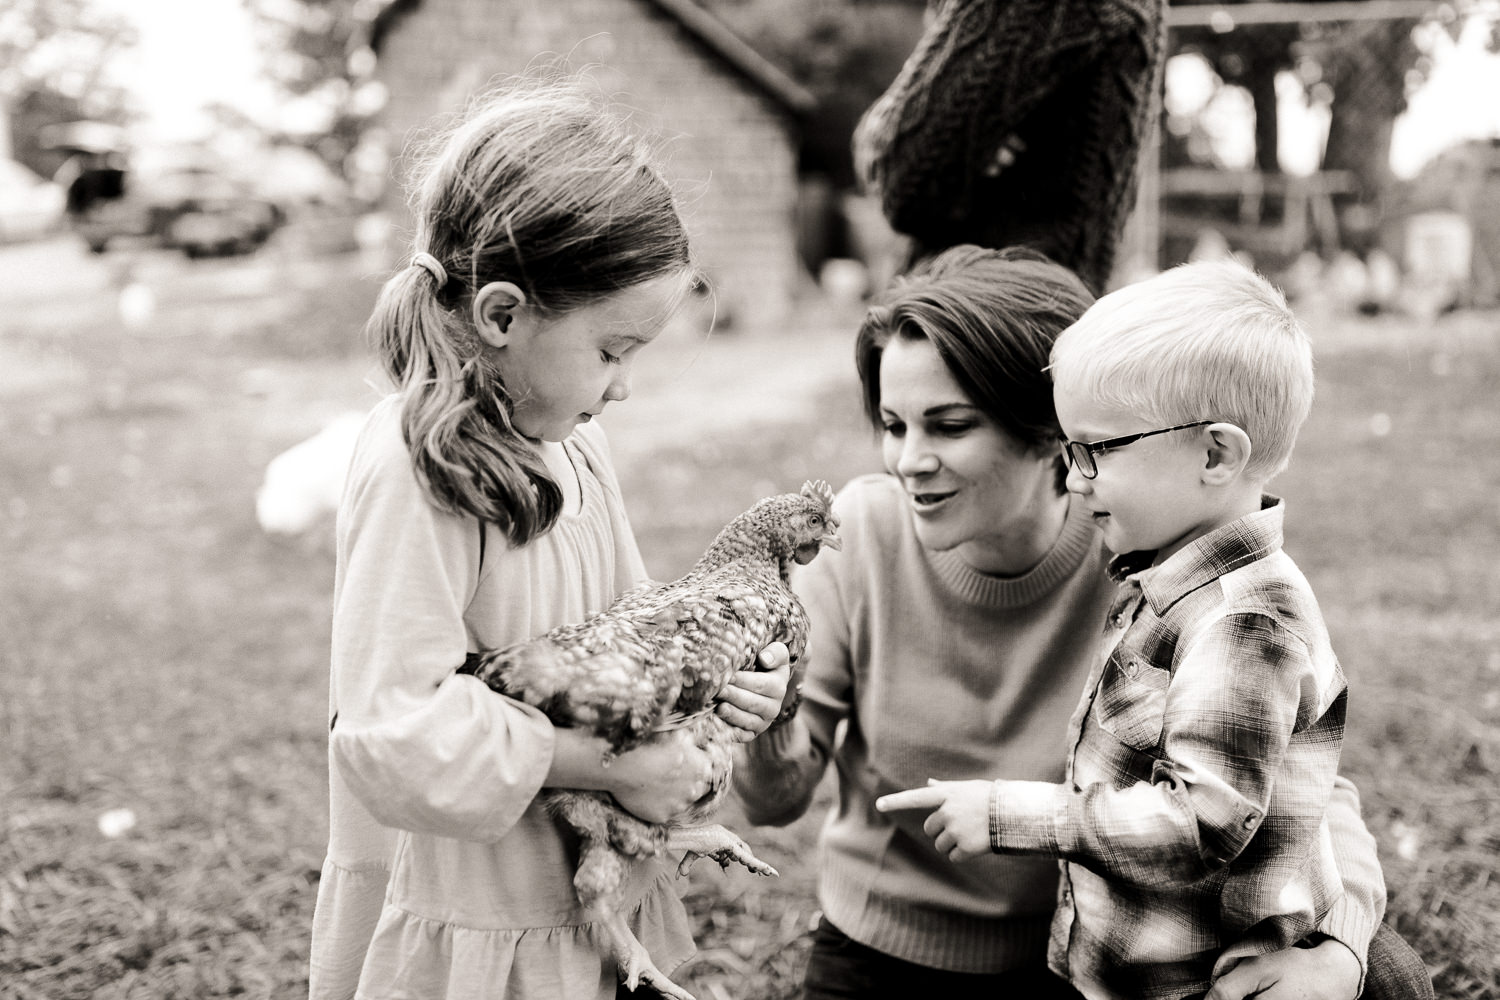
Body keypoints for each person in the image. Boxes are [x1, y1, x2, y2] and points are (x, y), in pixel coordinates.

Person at [736, 245, 1433, 1000]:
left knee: (1386, 973)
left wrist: (1342, 944)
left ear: (1046, 434)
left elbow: (1299, 780)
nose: (908, 460)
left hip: (1066, 958)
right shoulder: (860, 533)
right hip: (890, 947)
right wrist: (773, 719)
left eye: (949, 426)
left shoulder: (1152, 552)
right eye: (893, 425)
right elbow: (774, 803)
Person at [307, 80, 790, 1000]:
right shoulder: (419, 469)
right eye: (612, 351)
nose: (621, 388)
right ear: (499, 316)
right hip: (477, 918)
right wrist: (608, 762)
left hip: (575, 900)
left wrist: (717, 687)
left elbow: (645, 637)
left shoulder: (577, 447)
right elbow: (389, 731)